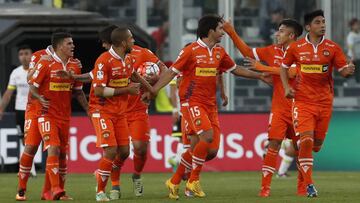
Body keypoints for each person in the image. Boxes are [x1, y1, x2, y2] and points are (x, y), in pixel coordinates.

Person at [144, 14, 271, 199]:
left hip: (210, 105)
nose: (223, 33)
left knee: (209, 151)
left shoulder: (219, 52)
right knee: (207, 136)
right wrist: (154, 90)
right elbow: (172, 72)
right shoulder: (191, 50)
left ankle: (174, 181)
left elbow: (234, 69)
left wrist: (259, 75)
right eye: (220, 29)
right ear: (210, 30)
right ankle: (193, 181)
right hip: (191, 102)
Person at [223, 19, 303, 197]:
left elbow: (292, 73)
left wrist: (263, 68)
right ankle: (265, 188)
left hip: (301, 107)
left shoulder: (301, 51)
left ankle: (302, 187)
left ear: (292, 35)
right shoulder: (271, 51)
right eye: (278, 30)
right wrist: (231, 32)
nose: (277, 34)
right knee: (273, 143)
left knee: (301, 147)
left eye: (281, 31)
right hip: (280, 109)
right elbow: (246, 52)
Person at [280, 10, 355, 198]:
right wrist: (286, 88)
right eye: (317, 22)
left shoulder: (333, 47)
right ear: (308, 27)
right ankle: (309, 185)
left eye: (323, 22)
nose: (322, 25)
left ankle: (298, 155)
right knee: (306, 140)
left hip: (324, 103)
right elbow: (283, 67)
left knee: (316, 146)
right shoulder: (296, 47)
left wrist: (349, 70)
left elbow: (343, 71)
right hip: (302, 102)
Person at [89, 26, 154, 202]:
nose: (134, 41)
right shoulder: (104, 60)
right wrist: (126, 90)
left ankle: (102, 173)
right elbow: (99, 91)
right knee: (111, 151)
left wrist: (151, 89)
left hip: (120, 113)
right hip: (103, 112)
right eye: (131, 39)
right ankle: (101, 192)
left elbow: (133, 74)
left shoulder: (128, 59)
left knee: (124, 152)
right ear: (124, 42)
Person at [27, 31, 88, 201]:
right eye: (69, 43)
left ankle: (49, 192)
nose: (73, 46)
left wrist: (89, 110)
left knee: (62, 154)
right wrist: (40, 98)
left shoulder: (75, 65)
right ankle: (56, 189)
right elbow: (32, 86)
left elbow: (78, 91)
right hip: (46, 114)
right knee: (52, 147)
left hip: (65, 116)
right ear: (60, 46)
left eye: (72, 43)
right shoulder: (46, 63)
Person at [346, 18, 360, 83]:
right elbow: (351, 46)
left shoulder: (358, 34)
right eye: (355, 25)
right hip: (353, 56)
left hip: (358, 56)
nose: (357, 26)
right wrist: (354, 55)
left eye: (358, 24)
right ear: (352, 26)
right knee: (353, 71)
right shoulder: (351, 35)